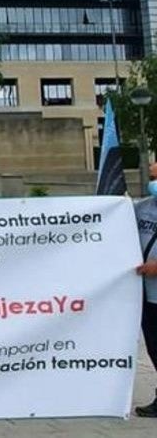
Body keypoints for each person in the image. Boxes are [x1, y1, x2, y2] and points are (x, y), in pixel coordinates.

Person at [135, 165, 157, 417]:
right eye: (152, 178)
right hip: (148, 297)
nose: (153, 183)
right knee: (154, 347)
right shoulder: (142, 208)